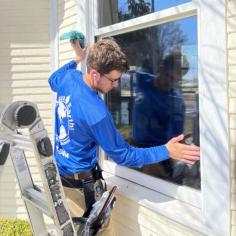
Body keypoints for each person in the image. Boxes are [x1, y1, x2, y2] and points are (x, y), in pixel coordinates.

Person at [48, 38, 200, 235]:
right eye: (112, 80)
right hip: (78, 190)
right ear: (94, 74)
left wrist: (77, 59)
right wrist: (166, 150)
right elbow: (124, 156)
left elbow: (52, 80)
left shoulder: (69, 77)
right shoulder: (96, 113)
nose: (116, 85)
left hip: (61, 178)